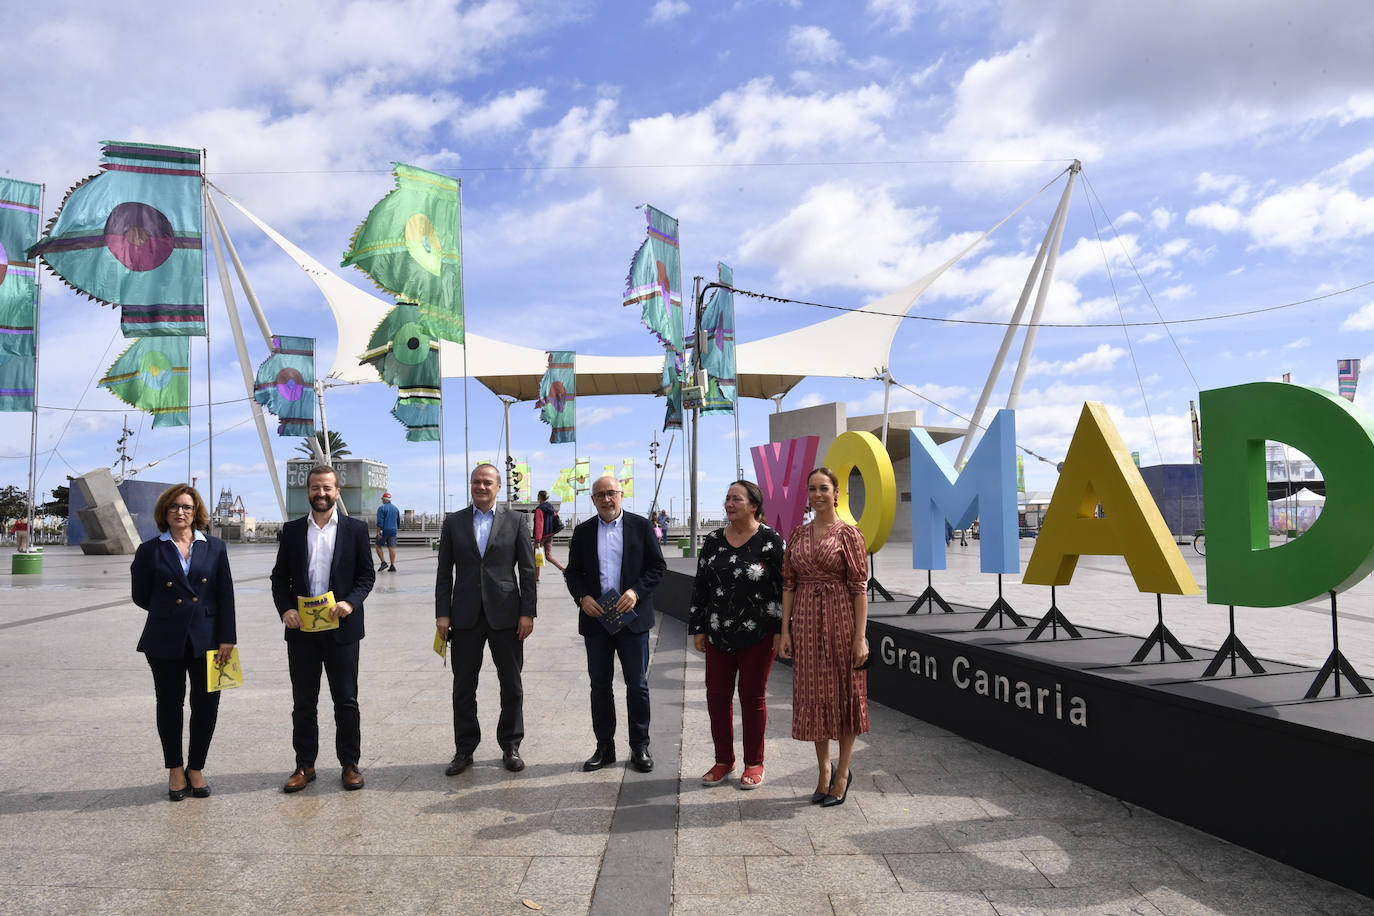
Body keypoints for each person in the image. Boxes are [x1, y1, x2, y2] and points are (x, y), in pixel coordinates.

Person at [270, 464, 375, 793]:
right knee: (303, 702)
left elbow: (366, 576)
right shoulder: (291, 531)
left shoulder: (355, 530)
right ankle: (305, 765)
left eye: (327, 488)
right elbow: (279, 579)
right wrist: (286, 608)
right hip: (302, 630)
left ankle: (350, 764)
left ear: (336, 491)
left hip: (342, 629)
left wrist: (351, 603)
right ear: (308, 492)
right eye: (316, 488)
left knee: (346, 700)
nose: (321, 493)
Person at [130, 484, 236, 801]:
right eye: (174, 507)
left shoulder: (214, 547)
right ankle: (175, 770)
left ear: (196, 512)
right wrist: (171, 611)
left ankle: (196, 768)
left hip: (209, 640)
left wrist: (227, 638)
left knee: (206, 708)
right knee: (170, 706)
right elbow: (141, 595)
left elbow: (225, 595)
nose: (181, 512)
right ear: (165, 512)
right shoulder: (149, 550)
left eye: (187, 507)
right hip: (165, 639)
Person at [435, 463, 537, 775]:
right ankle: (465, 749)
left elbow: (528, 570)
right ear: (470, 485)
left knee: (511, 683)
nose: (481, 487)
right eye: (477, 482)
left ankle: (510, 745)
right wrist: (442, 614)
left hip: (506, 614)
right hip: (464, 616)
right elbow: (444, 572)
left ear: (498, 486)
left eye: (488, 482)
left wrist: (527, 612)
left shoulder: (516, 520)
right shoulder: (454, 522)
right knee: (463, 685)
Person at [779, 466, 870, 808]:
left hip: (841, 622)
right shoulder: (798, 535)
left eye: (824, 488)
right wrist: (784, 630)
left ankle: (843, 772)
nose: (817, 495)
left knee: (845, 695)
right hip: (804, 623)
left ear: (836, 493)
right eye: (812, 489)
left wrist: (860, 638)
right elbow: (788, 584)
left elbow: (859, 589)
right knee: (814, 696)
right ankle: (822, 770)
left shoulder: (849, 534)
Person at [564, 475, 666, 773]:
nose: (607, 499)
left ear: (622, 495)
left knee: (638, 685)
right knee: (600, 686)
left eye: (611, 493)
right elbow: (573, 573)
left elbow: (658, 566)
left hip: (632, 620)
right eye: (600, 495)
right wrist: (582, 597)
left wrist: (636, 591)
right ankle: (604, 747)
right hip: (597, 621)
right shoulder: (583, 532)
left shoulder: (641, 526)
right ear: (593, 500)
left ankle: (640, 747)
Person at [688, 480, 784, 789]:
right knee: (716, 696)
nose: (729, 503)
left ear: (754, 505)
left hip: (760, 633)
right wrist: (698, 627)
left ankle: (754, 762)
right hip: (718, 632)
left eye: (737, 499)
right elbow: (701, 584)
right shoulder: (714, 539)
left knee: (752, 697)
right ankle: (723, 760)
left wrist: (784, 631)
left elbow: (786, 588)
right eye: (727, 498)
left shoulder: (771, 541)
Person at [532, 489, 565, 577]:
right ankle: (562, 568)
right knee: (549, 556)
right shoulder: (551, 508)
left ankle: (536, 576)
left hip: (541, 537)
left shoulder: (540, 509)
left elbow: (539, 525)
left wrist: (538, 541)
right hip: (550, 535)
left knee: (536, 556)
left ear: (539, 497)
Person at [375, 492, 400, 572]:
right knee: (392, 548)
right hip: (393, 530)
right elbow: (398, 521)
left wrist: (378, 532)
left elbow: (380, 521)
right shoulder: (396, 508)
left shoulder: (381, 508)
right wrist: (396, 528)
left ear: (384, 500)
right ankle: (392, 565)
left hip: (384, 530)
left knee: (378, 546)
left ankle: (383, 562)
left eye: (382, 499)